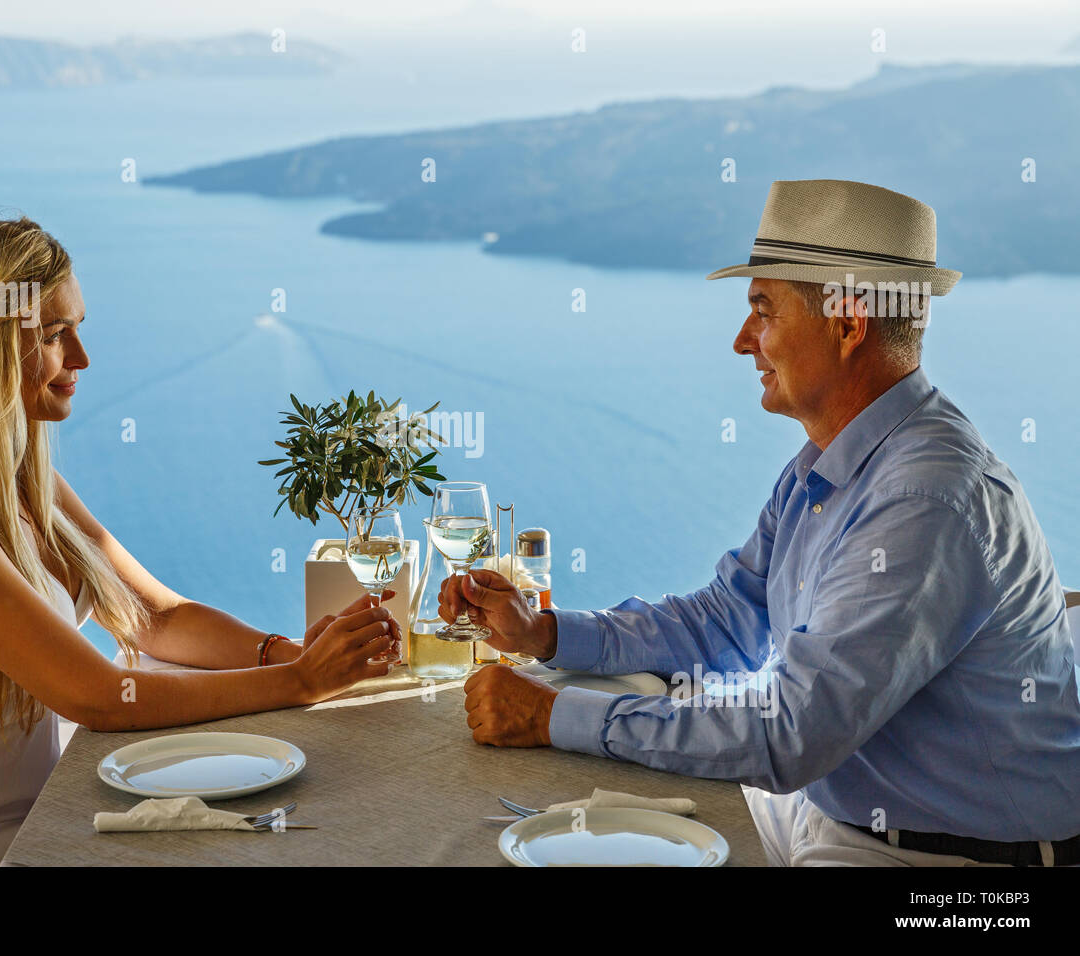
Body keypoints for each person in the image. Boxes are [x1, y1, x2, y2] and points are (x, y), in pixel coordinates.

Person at [441, 180, 1080, 866]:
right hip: (834, 803)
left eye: (762, 310)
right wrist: (545, 633)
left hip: (948, 859)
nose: (743, 340)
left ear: (847, 324)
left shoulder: (925, 499)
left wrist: (551, 718)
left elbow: (789, 735)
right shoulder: (829, 464)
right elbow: (724, 621)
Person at [0, 217, 400, 866]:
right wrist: (298, 682)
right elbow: (98, 696)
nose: (81, 359)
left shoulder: (25, 479)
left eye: (77, 328)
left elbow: (156, 618)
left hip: (16, 836)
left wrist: (285, 651)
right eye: (55, 335)